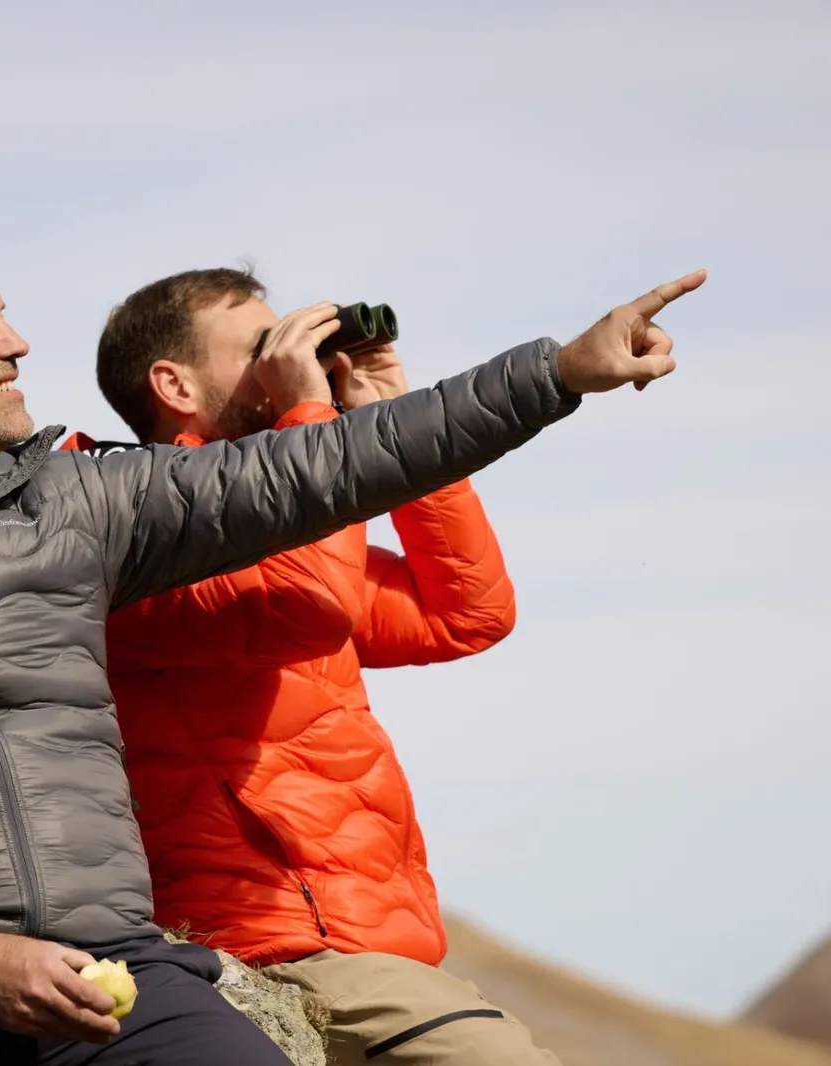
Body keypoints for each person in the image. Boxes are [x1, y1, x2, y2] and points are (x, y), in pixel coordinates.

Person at [0, 191, 704, 1066]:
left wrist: (559, 372)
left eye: (6, 316)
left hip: (111, 956)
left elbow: (335, 471)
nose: (18, 341)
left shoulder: (76, 504)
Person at [71, 267, 559, 1064]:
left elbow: (466, 613)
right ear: (174, 384)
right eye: (262, 347)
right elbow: (305, 609)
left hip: (369, 939)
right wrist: (318, 424)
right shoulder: (133, 536)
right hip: (274, 938)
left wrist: (384, 420)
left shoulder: (289, 536)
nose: (289, 360)